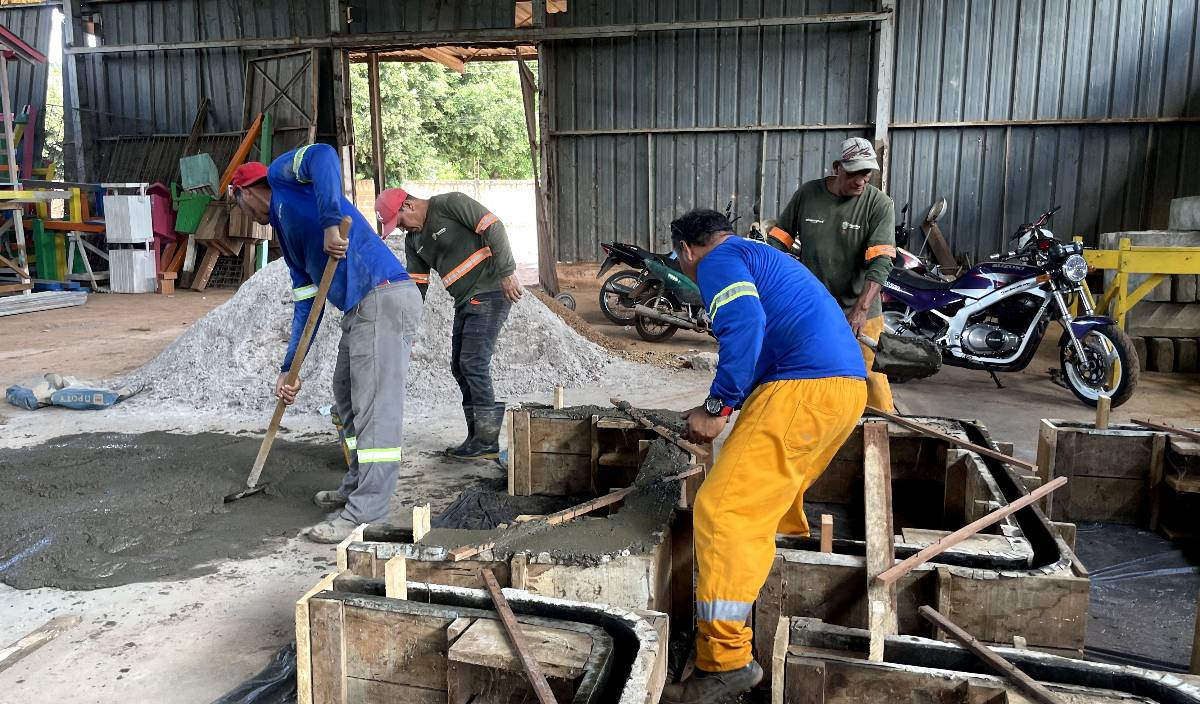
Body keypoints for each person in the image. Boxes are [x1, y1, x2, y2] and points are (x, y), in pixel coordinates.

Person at [663, 208, 867, 704]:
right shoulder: (756, 254)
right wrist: (720, 408)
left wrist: (718, 406)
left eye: (678, 256)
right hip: (841, 390)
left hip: (806, 388)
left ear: (686, 249)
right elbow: (763, 344)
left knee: (722, 512)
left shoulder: (715, 261)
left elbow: (746, 323)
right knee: (759, 506)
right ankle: (752, 599)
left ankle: (725, 663)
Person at [229, 144, 423, 543]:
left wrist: (332, 225)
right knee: (345, 394)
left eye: (239, 206)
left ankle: (366, 510)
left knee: (374, 407)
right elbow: (307, 305)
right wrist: (290, 368)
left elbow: (323, 157)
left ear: (244, 192)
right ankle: (357, 484)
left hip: (382, 294)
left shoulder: (283, 176)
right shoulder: (287, 238)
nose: (244, 215)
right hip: (359, 308)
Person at [375, 188, 522, 461]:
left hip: (490, 290)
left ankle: (487, 441)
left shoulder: (450, 204)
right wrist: (406, 327)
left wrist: (507, 272)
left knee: (473, 363)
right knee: (459, 366)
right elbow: (417, 287)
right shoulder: (413, 241)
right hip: (464, 300)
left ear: (408, 206)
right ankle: (477, 437)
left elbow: (494, 227)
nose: (402, 229)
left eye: (400, 222)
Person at [772, 137, 896, 412]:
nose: (861, 181)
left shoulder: (879, 204)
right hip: (814, 307)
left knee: (871, 376)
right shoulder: (808, 195)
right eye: (854, 173)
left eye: (867, 173)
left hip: (861, 309)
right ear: (837, 167)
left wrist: (861, 309)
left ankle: (882, 429)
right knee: (811, 371)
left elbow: (882, 261)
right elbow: (779, 241)